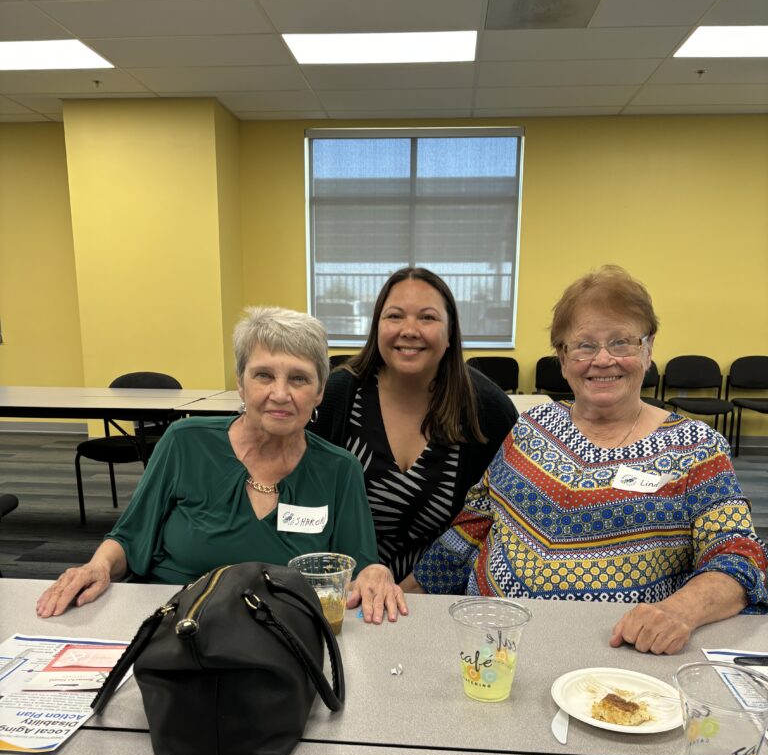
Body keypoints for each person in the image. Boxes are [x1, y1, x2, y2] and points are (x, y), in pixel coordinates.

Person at [405, 265, 768, 654]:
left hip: (619, 658)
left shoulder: (696, 448)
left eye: (621, 342)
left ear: (647, 350)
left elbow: (739, 557)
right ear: (563, 359)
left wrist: (679, 611)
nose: (603, 359)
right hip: (494, 644)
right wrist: (404, 594)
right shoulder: (531, 427)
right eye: (584, 345)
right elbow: (474, 524)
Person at [37, 306, 407, 623]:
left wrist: (376, 573)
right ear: (241, 384)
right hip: (172, 620)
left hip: (282, 629)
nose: (280, 394)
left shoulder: (339, 468)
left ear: (320, 391)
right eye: (263, 375)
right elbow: (129, 538)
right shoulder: (185, 443)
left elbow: (359, 567)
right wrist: (97, 566)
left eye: (299, 378)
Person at [312, 267, 518, 582]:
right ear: (377, 327)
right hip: (345, 590)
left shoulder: (485, 407)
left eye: (427, 318)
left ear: (450, 333)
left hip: (440, 596)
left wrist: (418, 588)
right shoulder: (337, 396)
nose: (409, 329)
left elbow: (494, 518)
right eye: (394, 316)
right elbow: (302, 495)